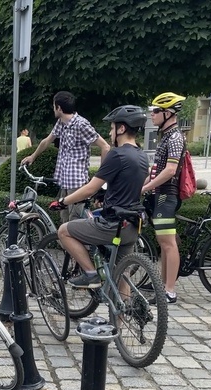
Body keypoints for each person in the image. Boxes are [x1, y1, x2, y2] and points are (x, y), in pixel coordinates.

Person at [50, 105, 149, 288]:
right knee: (122, 274)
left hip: (112, 225)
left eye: (112, 128)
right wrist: (105, 194)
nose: (110, 132)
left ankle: (90, 273)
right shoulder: (142, 156)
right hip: (132, 225)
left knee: (64, 230)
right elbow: (126, 183)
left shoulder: (116, 154)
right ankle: (124, 314)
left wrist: (63, 202)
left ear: (121, 128)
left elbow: (89, 188)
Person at [21, 91, 110, 222]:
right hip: (64, 182)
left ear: (59, 108)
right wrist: (32, 157)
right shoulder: (61, 123)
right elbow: (46, 141)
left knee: (75, 224)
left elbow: (105, 146)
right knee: (64, 221)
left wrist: (100, 178)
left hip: (77, 184)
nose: (53, 109)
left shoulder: (81, 124)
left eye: (53, 106)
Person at [140, 92, 187, 304]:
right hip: (161, 195)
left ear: (168, 113)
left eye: (156, 111)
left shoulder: (175, 137)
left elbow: (169, 170)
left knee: (168, 243)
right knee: (164, 242)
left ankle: (169, 291)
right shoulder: (167, 136)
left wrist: (147, 187)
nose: (152, 115)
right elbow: (158, 167)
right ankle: (163, 285)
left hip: (167, 195)